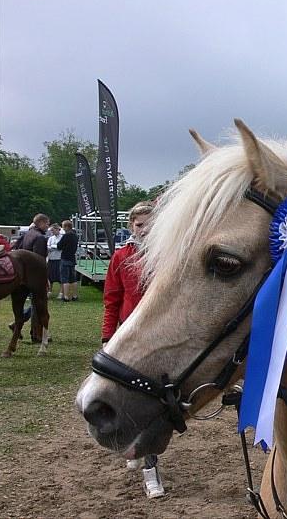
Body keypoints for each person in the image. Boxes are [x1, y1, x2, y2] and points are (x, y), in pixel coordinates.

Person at [101, 201, 165, 499]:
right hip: (129, 336)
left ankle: (151, 471)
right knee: (127, 399)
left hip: (160, 338)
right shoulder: (121, 256)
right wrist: (107, 336)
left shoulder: (168, 255)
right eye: (139, 224)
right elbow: (112, 298)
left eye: (150, 223)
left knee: (155, 404)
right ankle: (133, 443)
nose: (145, 228)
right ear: (131, 227)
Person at [56, 220, 79, 301]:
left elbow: (59, 246)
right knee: (73, 279)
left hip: (65, 258)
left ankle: (65, 296)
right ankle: (75, 296)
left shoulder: (66, 236)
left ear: (66, 227)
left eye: (63, 226)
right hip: (72, 258)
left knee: (64, 278)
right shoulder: (75, 236)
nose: (62, 228)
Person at [46, 224, 63, 298]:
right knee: (50, 276)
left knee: (60, 277)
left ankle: (61, 293)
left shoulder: (62, 237)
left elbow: (61, 247)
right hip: (51, 259)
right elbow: (47, 247)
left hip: (59, 259)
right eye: (51, 230)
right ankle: (49, 291)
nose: (52, 232)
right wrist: (54, 247)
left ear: (57, 229)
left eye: (53, 230)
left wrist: (53, 247)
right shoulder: (50, 238)